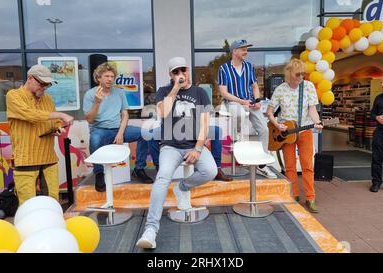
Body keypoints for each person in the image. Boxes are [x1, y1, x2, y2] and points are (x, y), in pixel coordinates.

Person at [136, 57, 217, 249]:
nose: (181, 74)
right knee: (162, 177)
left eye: (183, 70)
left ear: (188, 70)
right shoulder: (164, 91)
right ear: (170, 75)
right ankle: (151, 230)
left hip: (193, 145)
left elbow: (205, 124)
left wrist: (198, 148)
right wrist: (175, 88)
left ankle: (182, 187)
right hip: (171, 146)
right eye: (176, 71)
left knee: (210, 171)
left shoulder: (200, 93)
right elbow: (162, 113)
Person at [83, 62, 159, 192]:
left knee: (147, 133)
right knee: (95, 139)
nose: (110, 79)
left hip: (118, 129)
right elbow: (90, 119)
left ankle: (140, 168)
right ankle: (99, 173)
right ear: (98, 78)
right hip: (100, 130)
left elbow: (125, 115)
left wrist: (120, 133)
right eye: (106, 76)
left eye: (112, 76)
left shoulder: (119, 92)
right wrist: (97, 102)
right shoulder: (90, 94)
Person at [6, 64, 74, 205]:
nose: (44, 87)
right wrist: (61, 114)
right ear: (30, 78)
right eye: (41, 83)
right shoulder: (13, 95)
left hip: (48, 157)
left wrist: (57, 127)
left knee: (52, 200)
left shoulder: (47, 99)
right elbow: (30, 115)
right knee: (28, 204)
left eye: (47, 84)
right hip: (26, 158)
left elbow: (53, 120)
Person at [266, 59, 323, 213]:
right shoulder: (280, 89)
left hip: (304, 131)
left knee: (307, 166)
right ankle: (294, 196)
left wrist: (317, 121)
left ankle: (310, 199)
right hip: (287, 133)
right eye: (298, 74)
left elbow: (312, 108)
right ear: (290, 73)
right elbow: (269, 112)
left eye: (303, 74)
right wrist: (277, 125)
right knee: (290, 166)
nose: (301, 77)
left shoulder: (309, 87)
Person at [218, 39, 276, 179]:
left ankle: (261, 166)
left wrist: (257, 101)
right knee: (239, 113)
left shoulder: (249, 67)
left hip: (250, 103)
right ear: (234, 51)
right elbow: (224, 93)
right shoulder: (223, 68)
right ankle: (238, 137)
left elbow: (255, 86)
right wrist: (241, 101)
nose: (246, 51)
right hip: (233, 102)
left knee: (264, 129)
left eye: (246, 49)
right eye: (243, 49)